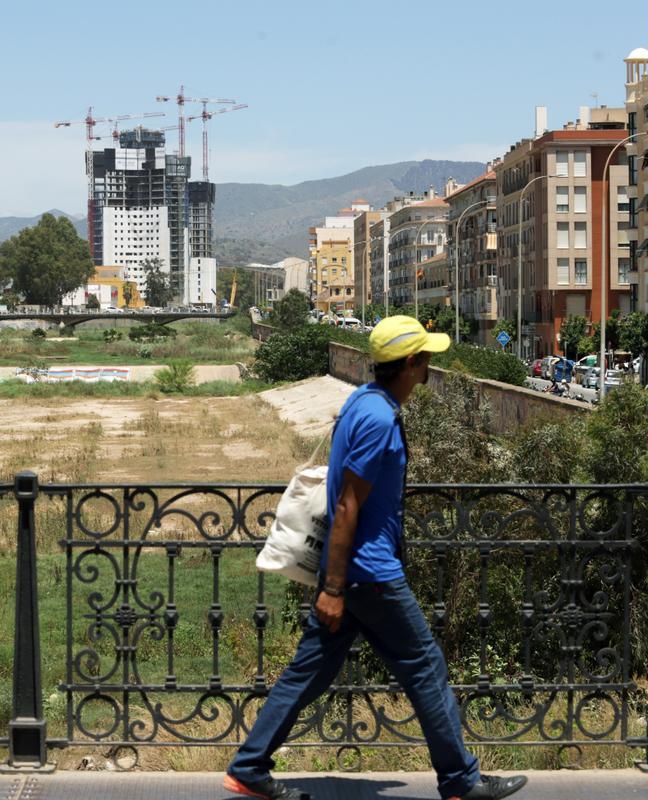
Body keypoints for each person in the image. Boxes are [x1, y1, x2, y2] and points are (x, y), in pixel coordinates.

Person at [225, 316, 527, 800]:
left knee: (309, 672)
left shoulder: (362, 400)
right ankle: (460, 780)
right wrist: (334, 588)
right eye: (427, 360)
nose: (430, 370)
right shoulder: (379, 418)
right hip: (369, 573)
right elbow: (347, 504)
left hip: (354, 574)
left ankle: (249, 766)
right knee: (426, 666)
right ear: (411, 364)